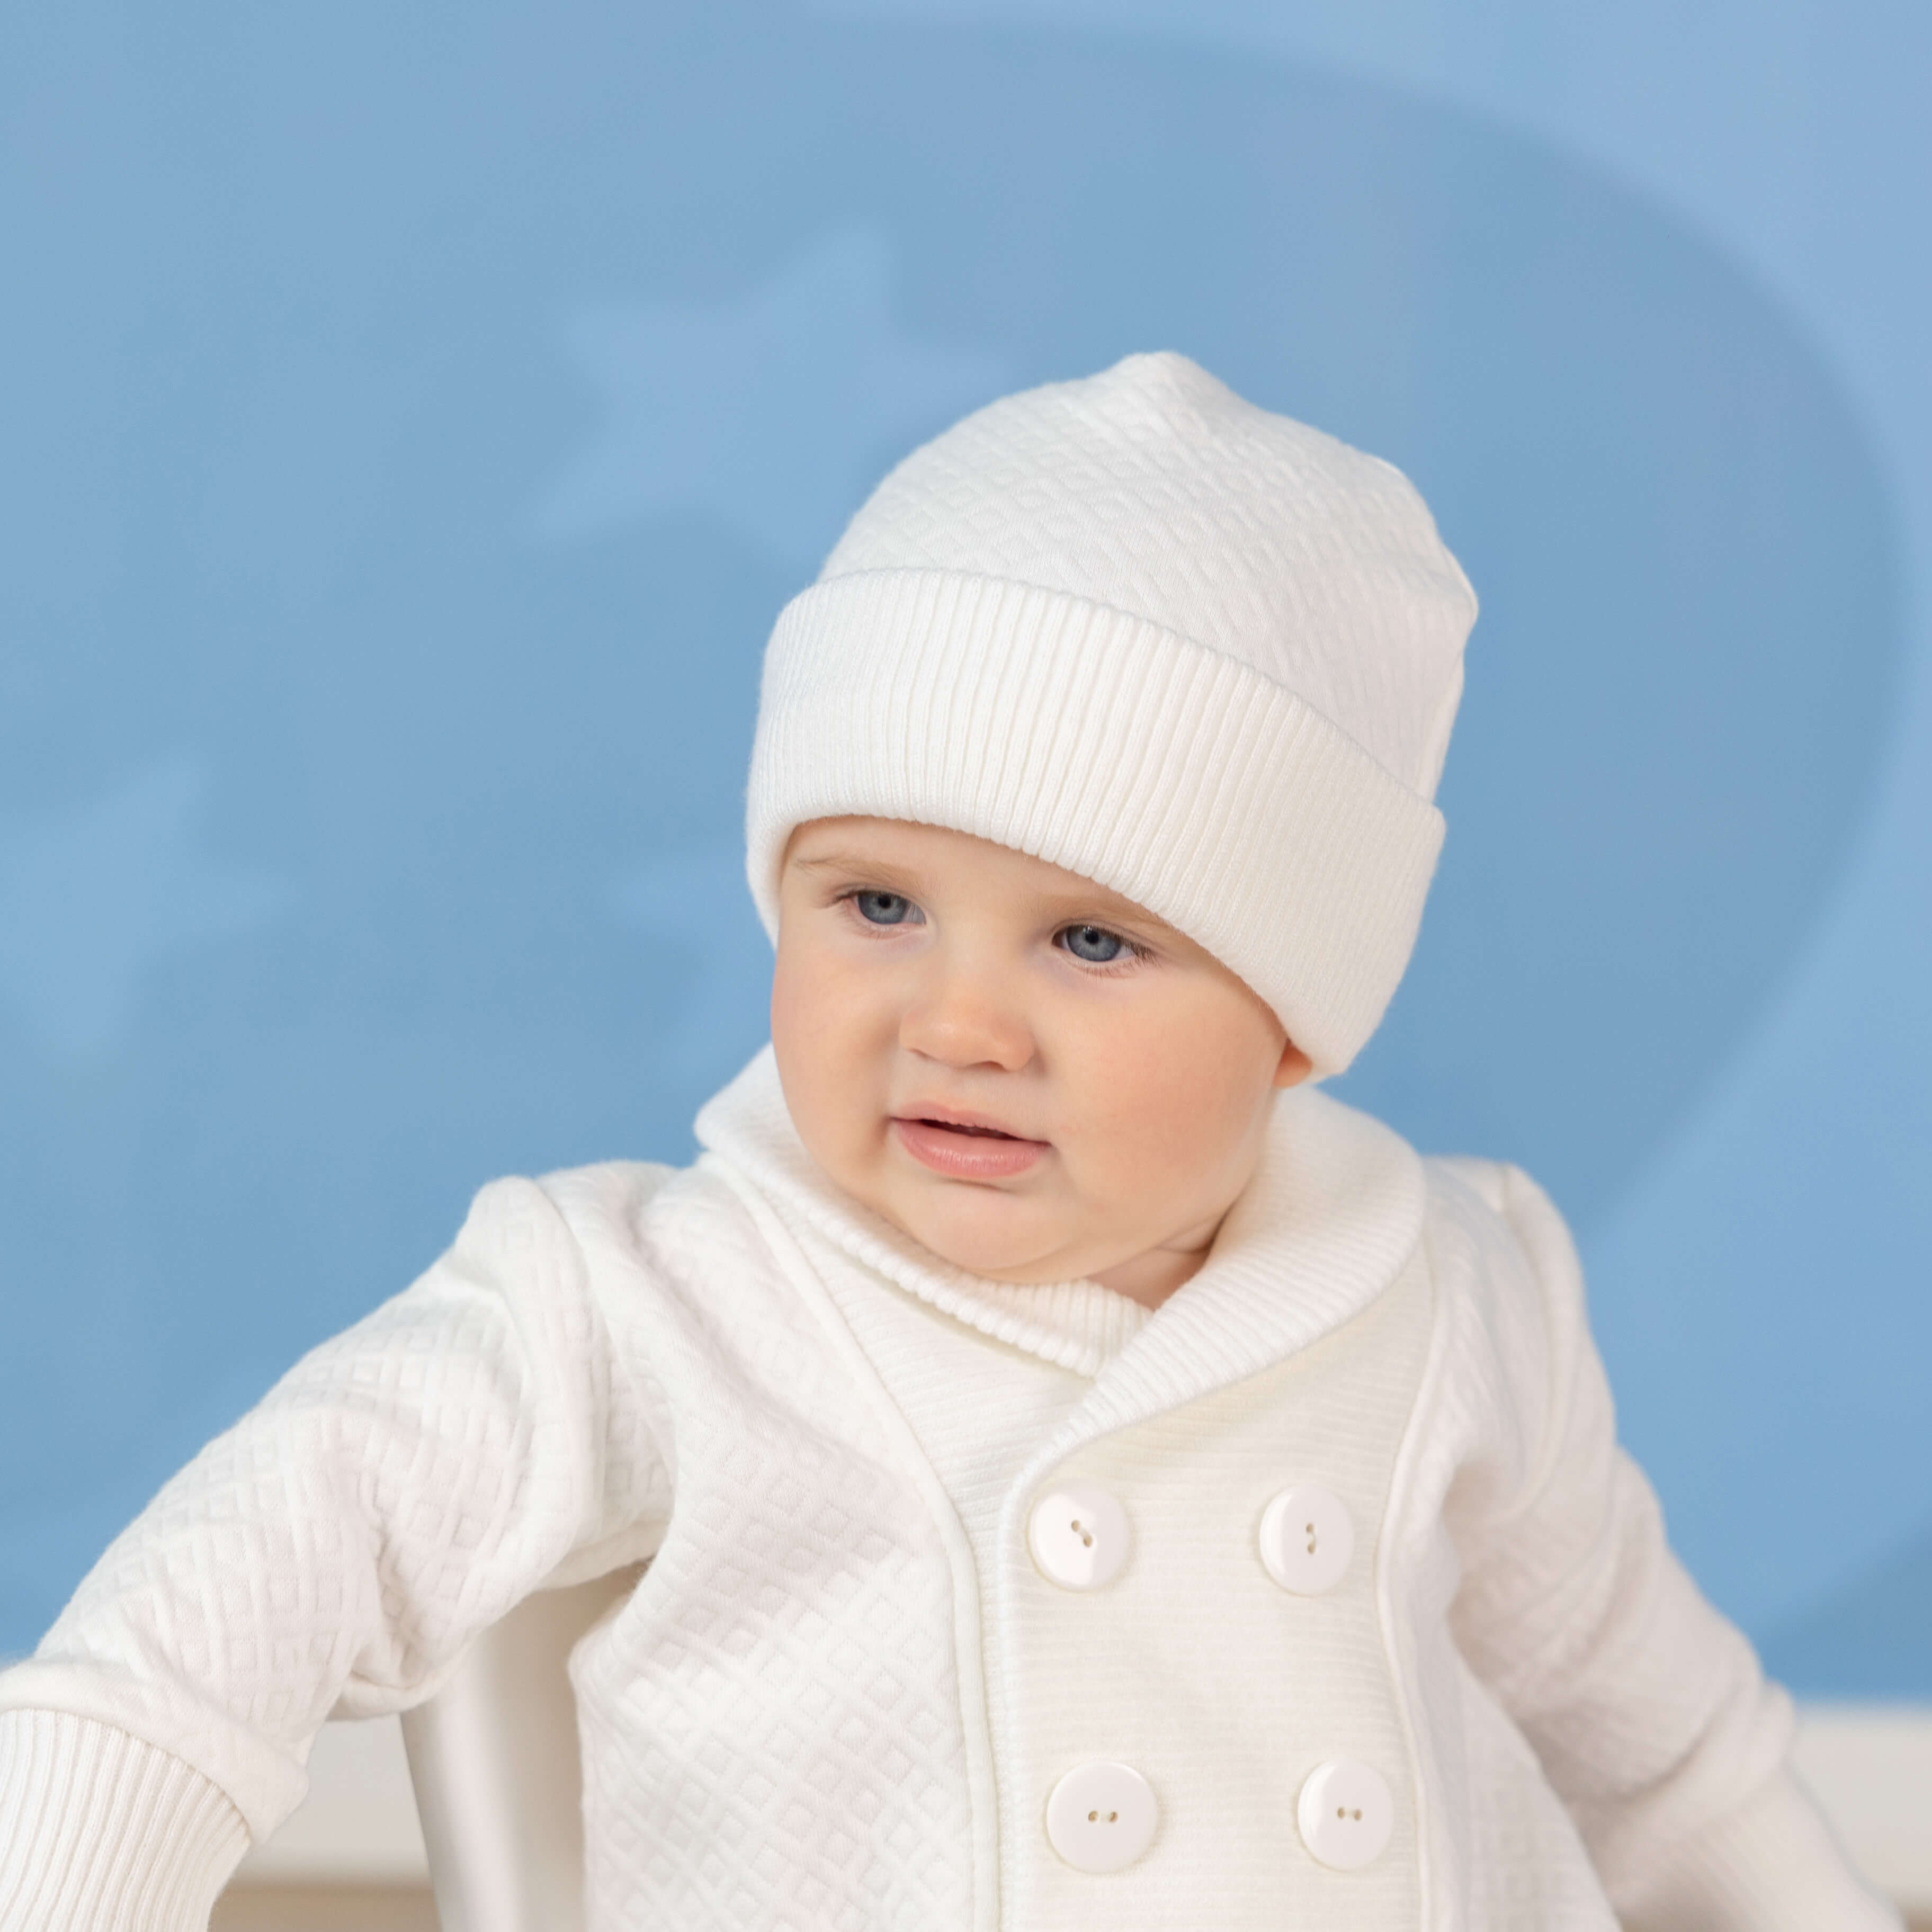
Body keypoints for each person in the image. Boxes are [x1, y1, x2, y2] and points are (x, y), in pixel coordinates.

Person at [0, 353, 1898, 1930]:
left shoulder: (1452, 1292)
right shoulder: (648, 1305)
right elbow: (214, 1619)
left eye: (1092, 940)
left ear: (1303, 1010)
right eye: (875, 906)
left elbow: (1665, 1752)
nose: (960, 1024)